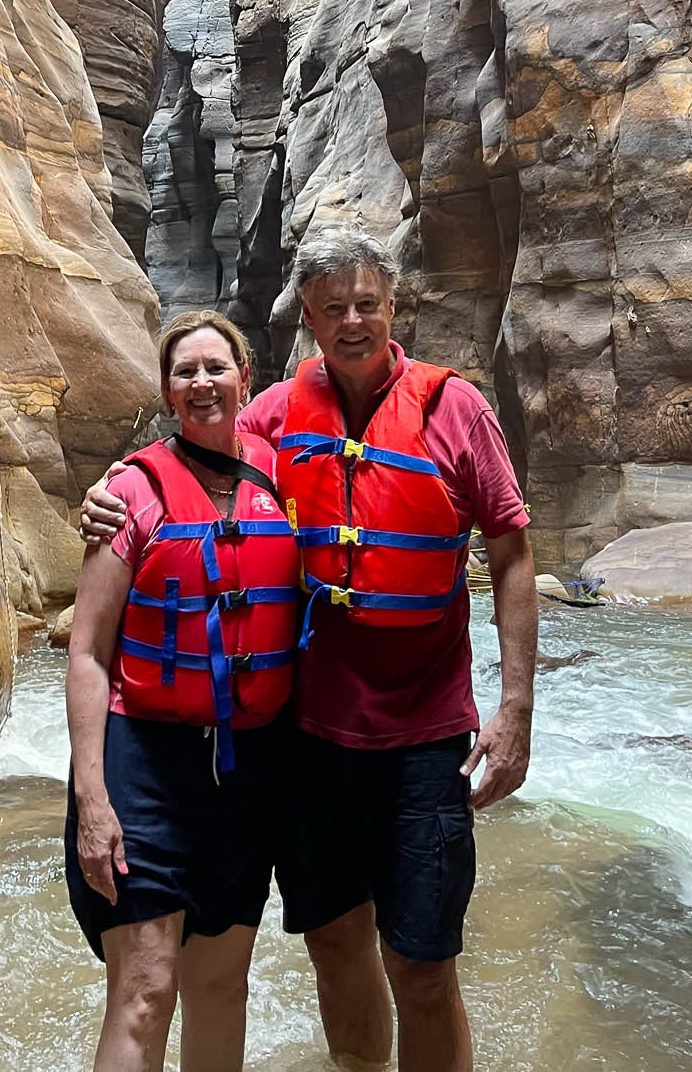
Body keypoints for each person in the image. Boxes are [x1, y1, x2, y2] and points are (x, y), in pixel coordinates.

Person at [81, 229, 537, 1072]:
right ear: (309, 320)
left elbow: (509, 549)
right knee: (334, 945)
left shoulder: (456, 409)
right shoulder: (278, 415)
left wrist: (515, 711)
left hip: (424, 737)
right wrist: (106, 490)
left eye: (367, 303)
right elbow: (192, 448)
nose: (353, 321)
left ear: (392, 306)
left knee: (424, 965)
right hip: (311, 742)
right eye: (334, 308)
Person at [65, 310, 300, 1072]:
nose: (202, 383)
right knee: (144, 987)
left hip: (249, 770)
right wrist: (93, 801)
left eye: (215, 367)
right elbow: (88, 652)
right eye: (184, 372)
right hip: (146, 764)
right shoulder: (129, 492)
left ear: (245, 380)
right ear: (167, 392)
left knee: (221, 985)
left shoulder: (282, 478)